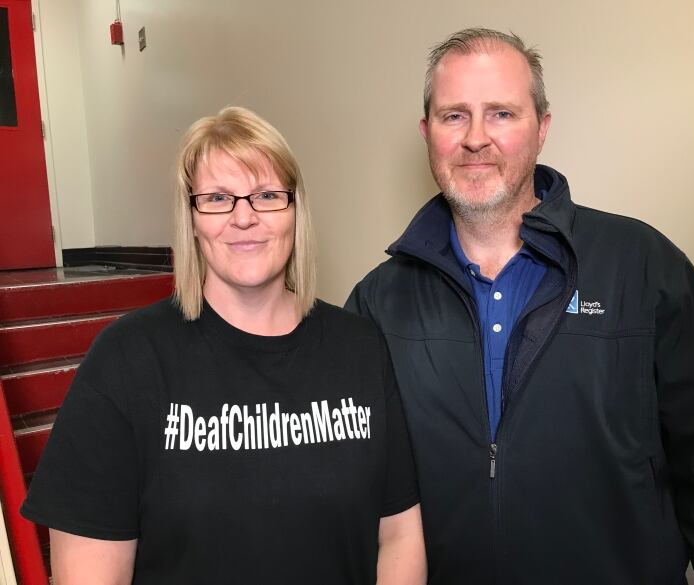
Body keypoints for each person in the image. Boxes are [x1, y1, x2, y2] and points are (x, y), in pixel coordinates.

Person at [346, 27, 694, 585]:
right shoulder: (377, 303)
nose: (476, 138)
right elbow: (349, 498)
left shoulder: (642, 266)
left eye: (501, 113)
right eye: (455, 116)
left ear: (542, 128)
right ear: (427, 132)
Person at [22, 106, 426, 585]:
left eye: (267, 195)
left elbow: (400, 535)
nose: (243, 217)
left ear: (296, 211)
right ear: (192, 218)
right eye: (217, 198)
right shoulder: (127, 360)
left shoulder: (360, 346)